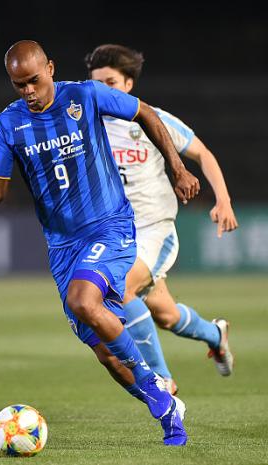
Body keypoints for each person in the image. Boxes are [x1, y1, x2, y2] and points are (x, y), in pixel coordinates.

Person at [0, 40, 201, 446]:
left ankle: (152, 381)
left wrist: (177, 168)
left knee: (83, 301)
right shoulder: (8, 123)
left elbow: (146, 112)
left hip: (110, 227)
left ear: (50, 68)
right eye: (19, 85)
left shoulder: (84, 96)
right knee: (106, 355)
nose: (28, 91)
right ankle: (168, 410)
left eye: (34, 80)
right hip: (63, 247)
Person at [85, 44, 237, 388]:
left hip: (154, 228)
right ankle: (216, 334)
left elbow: (202, 154)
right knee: (166, 315)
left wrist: (223, 200)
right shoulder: (87, 126)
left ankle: (162, 379)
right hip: (115, 234)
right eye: (96, 84)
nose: (103, 91)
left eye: (111, 82)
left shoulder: (151, 119)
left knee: (118, 287)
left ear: (128, 85)